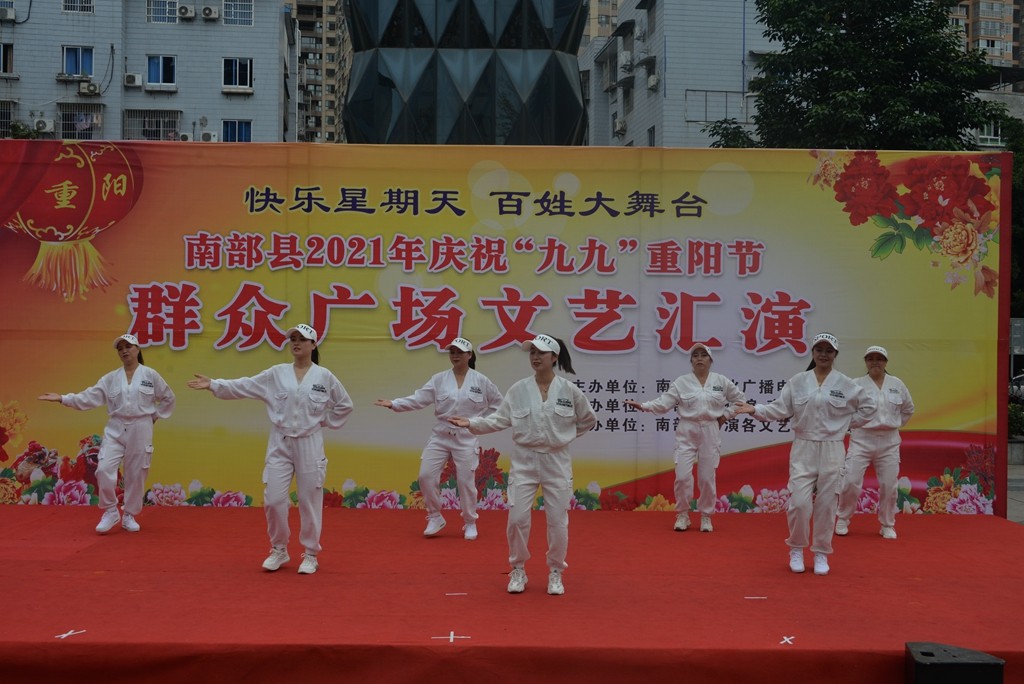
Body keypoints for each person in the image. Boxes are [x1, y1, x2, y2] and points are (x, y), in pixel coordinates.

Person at [186, 324, 353, 575]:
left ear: (313, 344)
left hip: (309, 442)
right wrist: (214, 384)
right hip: (280, 442)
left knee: (309, 500)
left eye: (302, 339)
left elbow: (344, 405)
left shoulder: (324, 376)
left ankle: (310, 554)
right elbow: (245, 385)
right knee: (274, 500)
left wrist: (322, 421)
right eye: (293, 339)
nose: (296, 343)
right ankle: (279, 549)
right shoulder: (276, 374)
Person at [449, 334, 596, 596]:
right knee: (517, 519)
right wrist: (471, 423)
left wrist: (564, 437)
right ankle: (518, 569)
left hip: (557, 462)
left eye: (541, 353)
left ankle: (555, 571)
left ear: (554, 357)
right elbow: (499, 419)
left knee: (557, 521)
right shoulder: (518, 389)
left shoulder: (569, 390)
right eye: (532, 353)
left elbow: (588, 419)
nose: (535, 357)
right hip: (524, 461)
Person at [734, 333, 874, 576]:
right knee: (799, 503)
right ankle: (796, 548)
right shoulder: (798, 381)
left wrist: (846, 424)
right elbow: (779, 409)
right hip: (803, 447)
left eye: (828, 351)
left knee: (827, 505)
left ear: (835, 355)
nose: (823, 354)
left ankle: (821, 552)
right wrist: (755, 409)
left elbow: (869, 408)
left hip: (832, 448)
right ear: (812, 353)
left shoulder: (846, 384)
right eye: (819, 349)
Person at [39, 333, 176, 535]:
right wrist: (63, 398)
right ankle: (111, 511)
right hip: (116, 427)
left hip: (141, 427)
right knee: (103, 469)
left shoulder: (150, 375)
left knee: (136, 473)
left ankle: (129, 515)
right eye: (120, 348)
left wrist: (154, 416)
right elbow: (89, 397)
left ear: (137, 349)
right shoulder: (110, 378)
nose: (124, 351)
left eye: (128, 347)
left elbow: (168, 398)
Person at [374, 337, 503, 540]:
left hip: (466, 437)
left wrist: (476, 423)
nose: (455, 356)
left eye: (460, 352)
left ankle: (470, 522)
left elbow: (498, 405)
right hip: (441, 435)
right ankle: (435, 516)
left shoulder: (481, 381)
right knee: (425, 475)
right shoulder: (439, 379)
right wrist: (395, 403)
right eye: (452, 352)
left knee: (465, 482)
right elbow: (419, 399)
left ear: (469, 355)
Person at [624, 343, 746, 533]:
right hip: (687, 430)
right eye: (695, 355)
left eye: (703, 355)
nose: (699, 358)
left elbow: (740, 400)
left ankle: (706, 516)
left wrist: (726, 415)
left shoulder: (721, 381)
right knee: (682, 477)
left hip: (710, 430)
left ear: (710, 360)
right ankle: (683, 514)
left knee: (707, 477)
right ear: (691, 361)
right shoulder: (682, 382)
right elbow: (664, 403)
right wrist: (643, 406)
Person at [835, 345, 915, 540]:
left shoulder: (897, 384)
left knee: (889, 486)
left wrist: (893, 424)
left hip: (889, 442)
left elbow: (908, 409)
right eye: (870, 359)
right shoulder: (856, 385)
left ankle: (887, 524)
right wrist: (854, 426)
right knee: (850, 481)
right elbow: (843, 410)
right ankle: (843, 519)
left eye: (879, 359)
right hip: (862, 440)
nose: (875, 362)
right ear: (865, 362)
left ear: (886, 362)